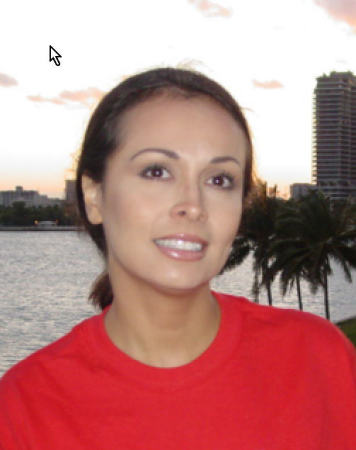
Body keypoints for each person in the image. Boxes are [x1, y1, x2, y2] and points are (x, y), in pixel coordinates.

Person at [0, 67, 355, 449]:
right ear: (93, 195)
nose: (192, 205)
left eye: (219, 180)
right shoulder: (24, 408)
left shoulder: (318, 360)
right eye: (157, 171)